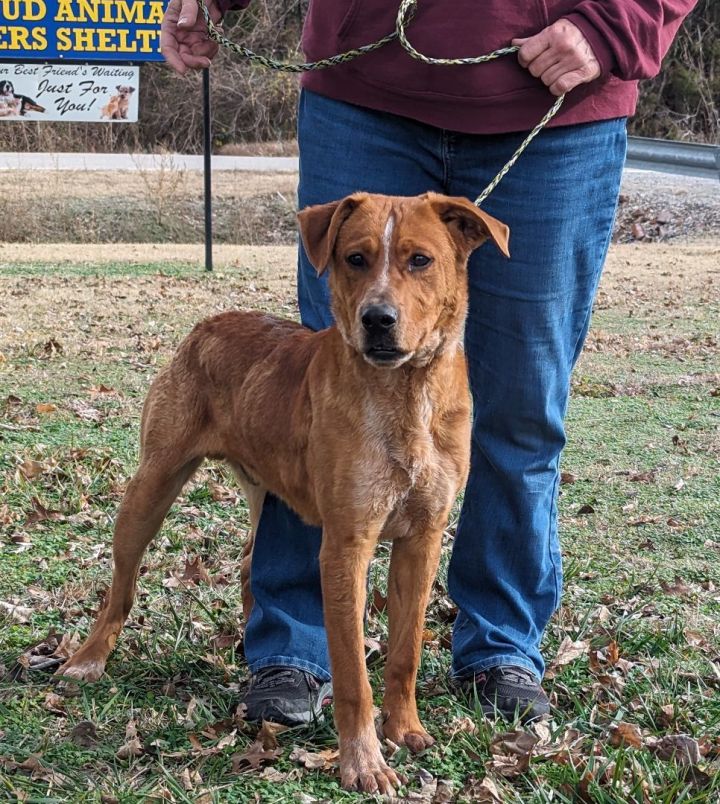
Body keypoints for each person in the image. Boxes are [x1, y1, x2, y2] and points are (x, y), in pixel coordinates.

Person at [161, 0, 696, 724]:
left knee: (522, 405)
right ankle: (294, 647)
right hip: (364, 88)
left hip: (557, 103)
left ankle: (500, 645)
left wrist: (617, 23)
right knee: (318, 396)